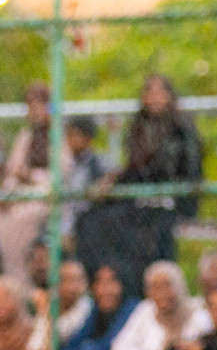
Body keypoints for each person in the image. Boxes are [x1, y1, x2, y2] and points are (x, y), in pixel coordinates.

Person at [76, 74, 203, 299]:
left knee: (146, 235)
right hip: (139, 199)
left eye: (159, 92)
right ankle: (102, 291)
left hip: (170, 200)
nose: (154, 97)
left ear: (169, 96)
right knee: (92, 220)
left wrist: (170, 193)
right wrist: (112, 182)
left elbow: (191, 172)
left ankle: (144, 292)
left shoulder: (183, 129)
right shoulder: (138, 128)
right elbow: (135, 171)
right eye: (149, 92)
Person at [110, 260, 212, 350]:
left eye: (167, 285)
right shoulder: (145, 312)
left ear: (180, 286)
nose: (162, 293)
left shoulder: (198, 314)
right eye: (155, 287)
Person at [60, 264, 138, 350]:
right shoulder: (95, 312)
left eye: (111, 282)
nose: (105, 290)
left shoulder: (133, 309)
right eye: (99, 282)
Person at [1, 83, 55, 281]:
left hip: (45, 199)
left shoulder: (58, 133)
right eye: (31, 106)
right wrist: (7, 195)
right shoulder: (26, 136)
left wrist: (31, 177)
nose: (35, 111)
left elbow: (62, 175)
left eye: (39, 105)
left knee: (20, 220)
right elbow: (13, 173)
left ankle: (21, 282)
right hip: (20, 197)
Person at [61, 116, 109, 247]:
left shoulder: (96, 162)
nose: (69, 140)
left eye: (74, 135)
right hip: (66, 213)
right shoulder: (64, 161)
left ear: (88, 138)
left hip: (87, 215)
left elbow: (104, 182)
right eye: (68, 135)